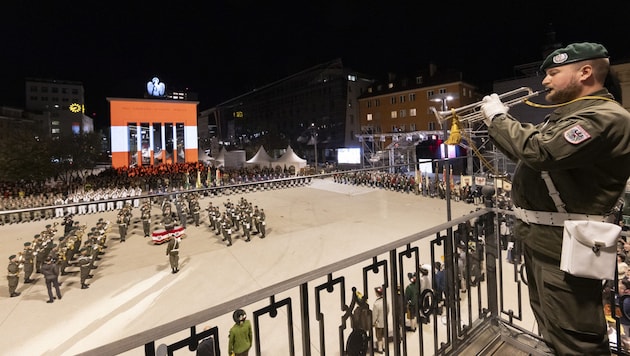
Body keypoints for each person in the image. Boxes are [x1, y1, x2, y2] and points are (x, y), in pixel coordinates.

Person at [480, 42, 630, 354]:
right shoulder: (570, 116)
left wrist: (498, 119)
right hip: (546, 242)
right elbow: (535, 154)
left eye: (553, 73)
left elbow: (540, 151)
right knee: (552, 330)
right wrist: (498, 126)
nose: (545, 81)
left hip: (565, 246)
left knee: (575, 339)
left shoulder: (604, 118)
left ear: (585, 72)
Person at [372, 286, 386, 354]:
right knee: (383, 335)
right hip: (384, 321)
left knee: (379, 336)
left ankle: (380, 349)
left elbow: (375, 315)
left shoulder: (376, 304)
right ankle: (384, 347)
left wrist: (373, 322)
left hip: (378, 323)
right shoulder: (385, 301)